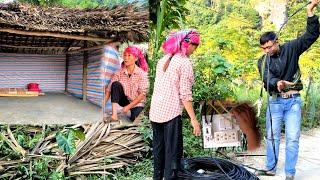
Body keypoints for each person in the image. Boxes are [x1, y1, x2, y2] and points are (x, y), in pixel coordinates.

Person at [256, 1, 319, 179]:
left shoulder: (292, 48)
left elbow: (311, 35)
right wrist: (278, 83)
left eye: (270, 46)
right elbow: (266, 80)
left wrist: (310, 12)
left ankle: (289, 173)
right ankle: (270, 167)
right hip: (275, 102)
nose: (267, 50)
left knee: (292, 139)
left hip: (293, 102)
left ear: (277, 42)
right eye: (264, 48)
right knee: (272, 137)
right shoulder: (263, 61)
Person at [149, 29, 201, 180]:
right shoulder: (184, 63)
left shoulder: (163, 60)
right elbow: (185, 95)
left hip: (156, 112)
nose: (194, 50)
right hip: (170, 114)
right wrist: (193, 119)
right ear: (188, 44)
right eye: (195, 46)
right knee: (172, 155)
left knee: (159, 152)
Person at [105, 46, 148, 121]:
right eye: (125, 55)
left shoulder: (142, 74)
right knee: (115, 84)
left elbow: (142, 94)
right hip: (124, 100)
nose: (126, 58)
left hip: (137, 102)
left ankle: (132, 111)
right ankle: (114, 115)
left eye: (129, 55)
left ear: (136, 58)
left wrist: (128, 107)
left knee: (135, 118)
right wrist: (102, 105)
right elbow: (109, 90)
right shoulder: (119, 73)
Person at [101, 41, 122, 115]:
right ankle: (105, 109)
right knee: (108, 91)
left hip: (116, 79)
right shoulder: (115, 55)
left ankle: (113, 113)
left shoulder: (115, 55)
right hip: (115, 78)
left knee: (110, 91)